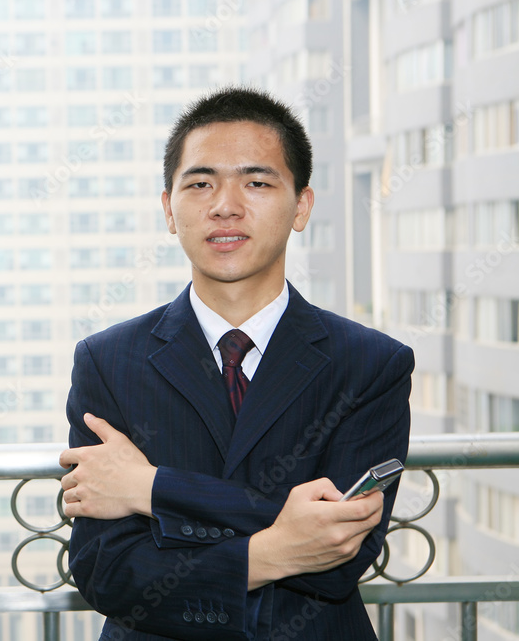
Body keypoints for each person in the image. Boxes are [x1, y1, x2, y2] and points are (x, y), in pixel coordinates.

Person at [58, 86, 412, 640]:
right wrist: (272, 552)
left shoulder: (370, 364)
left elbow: (343, 554)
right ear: (169, 210)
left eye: (257, 181)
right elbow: (105, 569)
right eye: (200, 183)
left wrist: (151, 488)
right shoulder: (108, 361)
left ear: (302, 207)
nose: (225, 204)